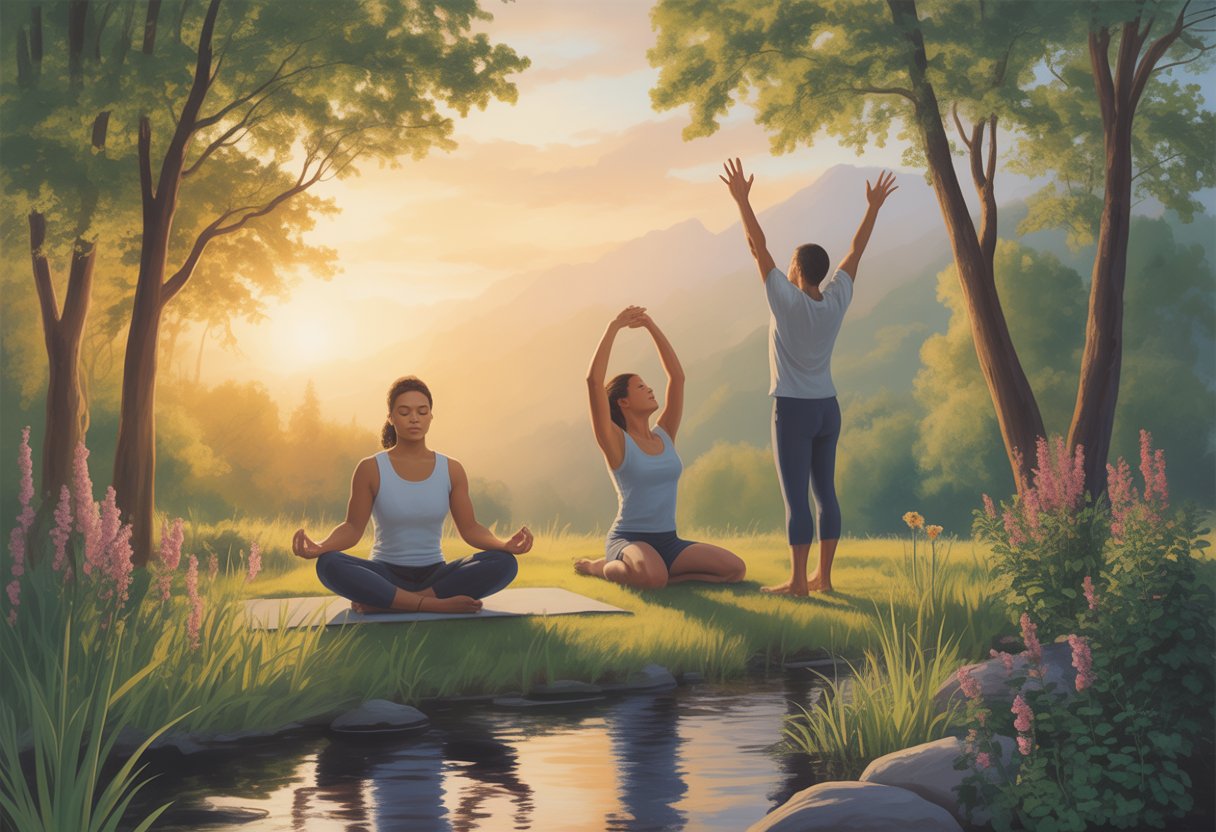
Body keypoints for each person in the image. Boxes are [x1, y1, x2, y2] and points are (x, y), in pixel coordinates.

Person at [720, 158, 897, 595]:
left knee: (796, 499)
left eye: (791, 264)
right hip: (827, 409)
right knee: (826, 496)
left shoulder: (785, 300)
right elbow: (856, 252)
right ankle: (825, 579)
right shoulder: (835, 299)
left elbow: (756, 246)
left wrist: (742, 200)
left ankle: (799, 582)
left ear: (796, 270)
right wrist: (873, 208)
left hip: (794, 410)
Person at [291, 375, 533, 614]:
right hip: (384, 575)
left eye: (422, 411)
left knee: (504, 563)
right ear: (391, 417)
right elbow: (353, 528)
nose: (414, 419)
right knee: (329, 564)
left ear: (431, 416)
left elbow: (470, 528)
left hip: (436, 577)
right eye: (405, 412)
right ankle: (431, 605)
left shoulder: (451, 469)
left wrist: (502, 544)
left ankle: (392, 604)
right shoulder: (370, 468)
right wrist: (320, 547)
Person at [575, 306, 747, 589]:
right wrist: (614, 327)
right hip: (630, 539)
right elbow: (593, 382)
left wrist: (650, 326)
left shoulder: (665, 434)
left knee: (734, 570)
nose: (650, 389)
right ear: (623, 402)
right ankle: (603, 566)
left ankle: (663, 574)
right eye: (640, 387)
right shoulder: (616, 441)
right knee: (652, 578)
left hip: (668, 540)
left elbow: (677, 378)